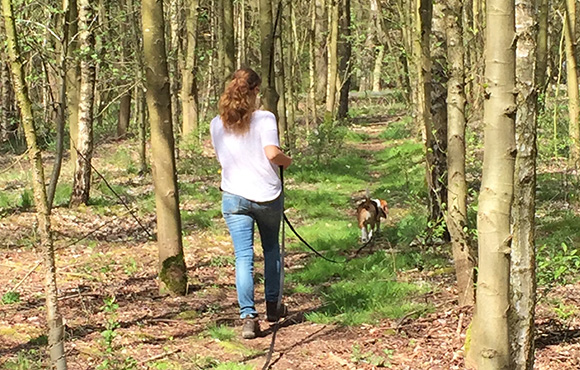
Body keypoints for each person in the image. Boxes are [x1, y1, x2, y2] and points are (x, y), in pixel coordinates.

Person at [210, 68, 292, 339]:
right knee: (271, 249)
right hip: (266, 195)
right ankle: (273, 305)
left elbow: (223, 158)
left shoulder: (216, 124)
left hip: (233, 197)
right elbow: (271, 153)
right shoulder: (265, 118)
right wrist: (287, 161)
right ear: (256, 90)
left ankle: (248, 317)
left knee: (243, 257)